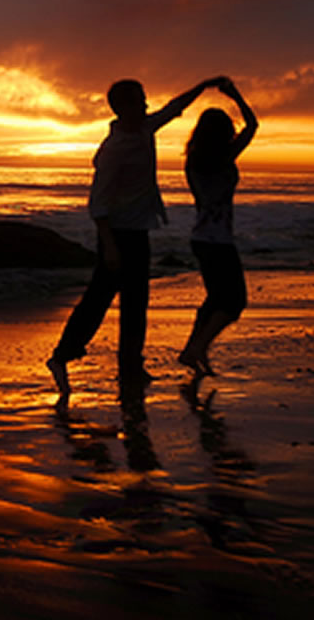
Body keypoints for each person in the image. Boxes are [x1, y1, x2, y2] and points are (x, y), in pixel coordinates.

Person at [47, 76, 224, 405]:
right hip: (117, 234)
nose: (145, 105)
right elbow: (97, 202)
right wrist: (110, 245)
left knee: (136, 304)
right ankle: (61, 356)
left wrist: (204, 85)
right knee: (98, 300)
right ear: (123, 107)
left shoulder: (144, 129)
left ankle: (130, 366)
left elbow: (173, 108)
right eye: (139, 101)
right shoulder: (113, 150)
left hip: (139, 230)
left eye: (144, 100)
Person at [177, 76, 258, 382]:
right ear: (224, 133)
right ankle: (197, 348)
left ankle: (194, 350)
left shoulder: (194, 159)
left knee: (214, 301)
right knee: (234, 302)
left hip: (202, 238)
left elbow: (249, 129)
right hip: (218, 242)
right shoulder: (222, 158)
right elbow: (252, 126)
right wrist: (234, 93)